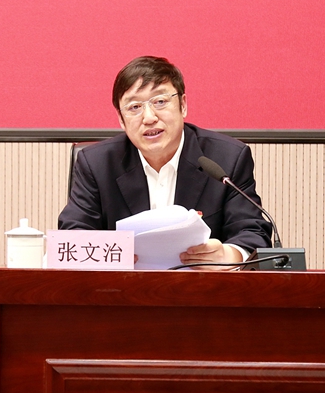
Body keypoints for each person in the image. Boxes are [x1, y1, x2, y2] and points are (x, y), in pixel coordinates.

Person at [58, 56, 272, 266]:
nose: (149, 117)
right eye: (134, 107)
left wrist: (228, 255)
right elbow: (72, 236)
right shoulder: (97, 164)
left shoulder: (226, 158)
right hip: (123, 286)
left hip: (201, 285)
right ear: (121, 120)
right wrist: (112, 255)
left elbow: (252, 233)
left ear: (183, 105)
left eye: (160, 102)